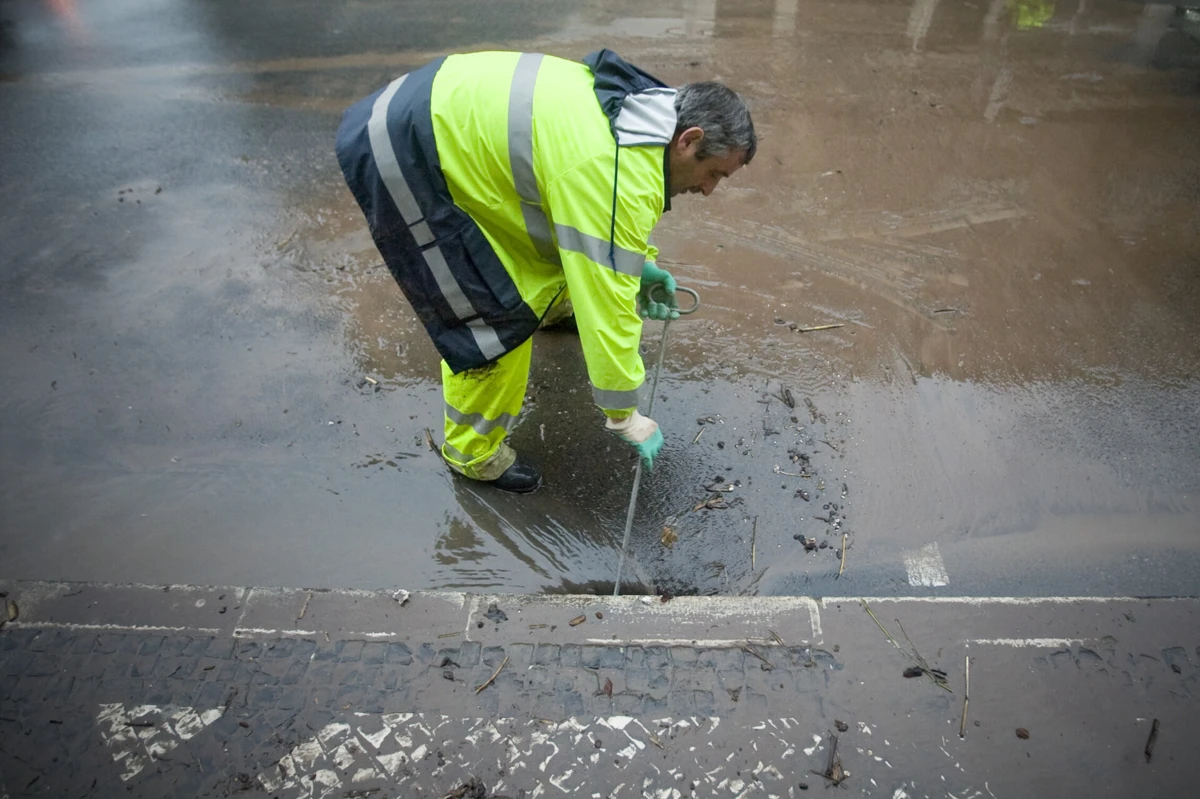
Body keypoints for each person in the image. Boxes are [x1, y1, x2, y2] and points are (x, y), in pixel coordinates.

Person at [336, 49, 755, 493]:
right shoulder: (613, 172)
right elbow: (608, 302)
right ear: (688, 140)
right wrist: (624, 413)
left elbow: (592, 229)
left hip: (443, 113)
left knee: (554, 243)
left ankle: (552, 311)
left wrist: (642, 266)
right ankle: (472, 453)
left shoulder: (646, 112)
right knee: (492, 312)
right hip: (404, 147)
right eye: (713, 174)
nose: (708, 190)